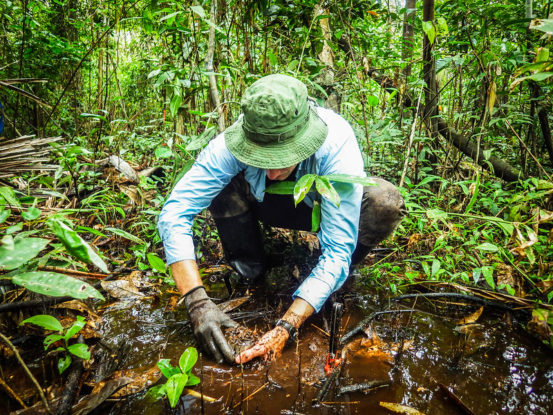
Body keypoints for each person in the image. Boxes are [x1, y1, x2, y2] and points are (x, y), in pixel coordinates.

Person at [157, 74, 404, 364]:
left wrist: (286, 326)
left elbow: (338, 250)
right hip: (263, 204)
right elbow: (175, 212)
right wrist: (197, 303)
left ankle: (328, 281)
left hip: (318, 208)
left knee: (383, 200)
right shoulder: (231, 142)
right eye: (261, 158)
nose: (271, 172)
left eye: (280, 159)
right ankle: (251, 269)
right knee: (222, 186)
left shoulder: (336, 142)